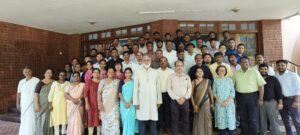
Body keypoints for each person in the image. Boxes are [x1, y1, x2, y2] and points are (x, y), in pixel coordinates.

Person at [233, 57, 266, 135]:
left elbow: (261, 85)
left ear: (249, 63)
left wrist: (261, 99)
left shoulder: (255, 72)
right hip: (240, 97)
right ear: (239, 63)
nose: (244, 63)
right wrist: (234, 99)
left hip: (253, 97)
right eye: (242, 62)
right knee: (243, 118)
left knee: (253, 119)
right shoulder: (236, 73)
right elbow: (232, 87)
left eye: (246, 62)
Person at [133, 55, 162, 135]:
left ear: (150, 61)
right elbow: (135, 87)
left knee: (153, 121)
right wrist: (136, 102)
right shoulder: (138, 72)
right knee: (142, 121)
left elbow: (158, 87)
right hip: (141, 100)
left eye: (148, 60)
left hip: (153, 100)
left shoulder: (155, 72)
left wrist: (159, 100)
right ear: (142, 61)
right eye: (144, 60)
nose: (146, 61)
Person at [275, 60, 300, 135]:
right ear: (276, 66)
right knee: (286, 121)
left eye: (282, 65)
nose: (280, 67)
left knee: (296, 120)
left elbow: (298, 88)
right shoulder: (275, 76)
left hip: (291, 100)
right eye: (279, 65)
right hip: (281, 101)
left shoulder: (293, 75)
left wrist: (296, 101)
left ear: (286, 66)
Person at [167, 60, 192, 135]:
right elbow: (169, 89)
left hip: (185, 100)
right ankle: (175, 133)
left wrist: (184, 97)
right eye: (177, 66)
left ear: (183, 67)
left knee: (186, 119)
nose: (179, 67)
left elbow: (190, 88)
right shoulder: (171, 77)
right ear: (175, 67)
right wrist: (177, 98)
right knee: (174, 119)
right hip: (174, 101)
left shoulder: (187, 77)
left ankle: (186, 133)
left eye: (181, 66)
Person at [259, 63, 283, 135]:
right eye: (262, 69)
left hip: (272, 103)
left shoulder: (273, 79)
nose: (263, 70)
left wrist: (280, 103)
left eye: (265, 69)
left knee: (274, 121)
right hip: (260, 104)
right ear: (259, 70)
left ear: (268, 70)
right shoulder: (256, 79)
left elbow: (279, 91)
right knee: (262, 121)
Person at [213, 65, 236, 135]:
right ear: (217, 72)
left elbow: (232, 92)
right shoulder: (215, 81)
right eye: (220, 70)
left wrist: (227, 102)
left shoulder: (229, 80)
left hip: (229, 104)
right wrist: (220, 102)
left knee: (230, 122)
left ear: (225, 72)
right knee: (221, 122)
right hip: (219, 104)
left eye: (223, 70)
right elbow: (214, 93)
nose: (222, 71)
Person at [17, 66, 40, 135]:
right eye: (25, 72)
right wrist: (17, 103)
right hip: (23, 104)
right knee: (24, 119)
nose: (27, 73)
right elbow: (18, 93)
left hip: (32, 103)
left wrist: (37, 103)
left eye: (28, 71)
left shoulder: (36, 80)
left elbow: (39, 92)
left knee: (31, 119)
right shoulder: (21, 82)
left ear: (31, 72)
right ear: (23, 73)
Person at [191, 67, 214, 135]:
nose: (200, 73)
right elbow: (191, 95)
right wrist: (194, 105)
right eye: (198, 72)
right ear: (195, 73)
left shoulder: (207, 81)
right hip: (197, 103)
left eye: (201, 71)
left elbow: (210, 92)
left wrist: (212, 103)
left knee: (207, 119)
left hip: (207, 102)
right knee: (198, 119)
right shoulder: (193, 81)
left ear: (203, 73)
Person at [98, 67, 120, 135]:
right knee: (105, 122)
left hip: (114, 106)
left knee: (115, 122)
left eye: (112, 72)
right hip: (104, 105)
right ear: (107, 73)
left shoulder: (117, 81)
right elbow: (99, 93)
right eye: (109, 72)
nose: (111, 73)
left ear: (114, 73)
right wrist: (99, 103)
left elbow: (120, 93)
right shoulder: (102, 81)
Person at [119, 68, 139, 135]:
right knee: (124, 120)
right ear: (124, 74)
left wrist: (130, 102)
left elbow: (136, 93)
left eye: (129, 72)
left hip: (132, 103)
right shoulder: (121, 81)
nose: (128, 74)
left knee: (131, 119)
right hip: (123, 104)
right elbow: (119, 93)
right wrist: (125, 103)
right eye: (126, 72)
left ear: (131, 73)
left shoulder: (134, 82)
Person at [48, 71, 70, 135]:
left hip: (65, 104)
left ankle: (64, 133)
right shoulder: (55, 83)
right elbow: (50, 94)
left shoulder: (68, 83)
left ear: (65, 76)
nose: (62, 76)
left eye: (63, 75)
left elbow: (69, 93)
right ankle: (56, 133)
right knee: (56, 119)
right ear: (58, 76)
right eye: (61, 75)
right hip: (55, 105)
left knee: (64, 119)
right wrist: (50, 104)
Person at [157, 57, 174, 134]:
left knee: (168, 111)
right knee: (159, 111)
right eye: (161, 61)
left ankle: (168, 127)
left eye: (164, 61)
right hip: (159, 94)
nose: (163, 62)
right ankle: (160, 128)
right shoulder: (156, 71)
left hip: (168, 94)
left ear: (167, 62)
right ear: (159, 62)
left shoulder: (171, 71)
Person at [34, 68, 54, 135]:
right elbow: (36, 94)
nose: (48, 74)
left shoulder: (54, 83)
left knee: (49, 121)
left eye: (50, 72)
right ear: (44, 74)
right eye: (47, 72)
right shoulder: (40, 83)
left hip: (51, 104)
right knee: (41, 121)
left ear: (52, 74)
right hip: (42, 104)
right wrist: (36, 104)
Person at [84, 69, 101, 135]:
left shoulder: (101, 82)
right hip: (91, 103)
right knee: (91, 118)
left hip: (100, 103)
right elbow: (86, 93)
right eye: (95, 72)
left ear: (99, 74)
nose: (96, 73)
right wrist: (86, 103)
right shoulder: (89, 82)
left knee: (99, 119)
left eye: (98, 72)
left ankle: (98, 133)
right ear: (92, 74)